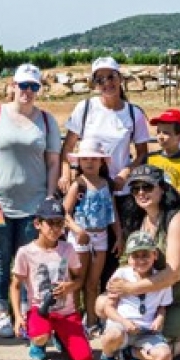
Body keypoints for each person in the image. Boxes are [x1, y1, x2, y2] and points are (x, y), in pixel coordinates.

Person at [97, 165, 180, 360]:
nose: (141, 193)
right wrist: (115, 289)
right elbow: (125, 263)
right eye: (135, 188)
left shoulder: (179, 220)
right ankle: (127, 347)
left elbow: (174, 274)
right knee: (101, 304)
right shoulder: (139, 219)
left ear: (163, 188)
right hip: (150, 297)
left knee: (155, 352)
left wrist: (130, 288)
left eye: (147, 187)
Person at [0, 63, 61, 339]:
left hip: (33, 205)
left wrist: (49, 197)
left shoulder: (46, 121)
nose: (27, 91)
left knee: (29, 261)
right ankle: (1, 314)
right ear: (12, 85)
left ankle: (25, 313)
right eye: (23, 85)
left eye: (33, 86)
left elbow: (53, 161)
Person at [59, 56, 149, 290]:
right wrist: (66, 173)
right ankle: (83, 315)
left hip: (120, 193)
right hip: (87, 193)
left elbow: (141, 152)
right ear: (94, 83)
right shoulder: (85, 108)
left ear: (121, 78)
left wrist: (126, 172)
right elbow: (67, 148)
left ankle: (108, 307)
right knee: (80, 257)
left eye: (111, 77)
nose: (106, 83)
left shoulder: (134, 114)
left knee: (114, 254)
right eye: (100, 79)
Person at [10, 197, 92, 360]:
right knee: (40, 336)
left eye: (59, 223)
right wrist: (18, 316)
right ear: (38, 224)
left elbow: (79, 279)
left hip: (66, 312)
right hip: (40, 309)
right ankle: (38, 343)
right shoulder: (25, 252)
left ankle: (61, 337)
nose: (55, 228)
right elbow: (16, 286)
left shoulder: (67, 249)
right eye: (50, 223)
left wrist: (70, 286)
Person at [62, 138, 123, 335]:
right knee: (78, 280)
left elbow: (112, 211)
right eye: (85, 159)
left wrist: (119, 236)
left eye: (94, 159)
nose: (89, 162)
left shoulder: (107, 184)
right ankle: (75, 319)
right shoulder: (77, 185)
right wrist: (77, 230)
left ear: (101, 162)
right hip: (80, 236)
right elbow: (64, 213)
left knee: (93, 283)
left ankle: (92, 320)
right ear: (79, 162)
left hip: (101, 236)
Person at [99, 231, 173, 360]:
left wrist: (159, 319)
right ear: (129, 258)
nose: (140, 260)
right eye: (135, 256)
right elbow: (108, 307)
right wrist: (124, 322)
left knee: (164, 358)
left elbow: (162, 307)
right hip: (122, 327)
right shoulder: (121, 274)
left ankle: (131, 353)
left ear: (154, 255)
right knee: (112, 336)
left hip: (146, 331)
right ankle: (107, 357)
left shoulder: (161, 279)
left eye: (145, 255)